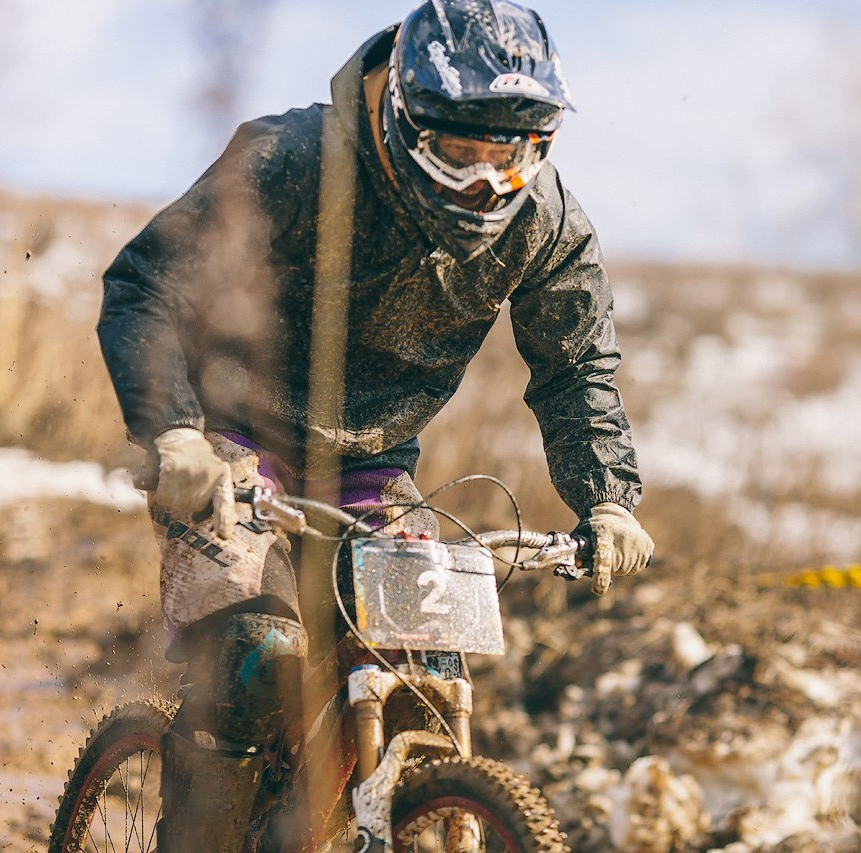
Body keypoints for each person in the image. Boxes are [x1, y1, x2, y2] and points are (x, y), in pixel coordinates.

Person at [97, 1, 654, 848]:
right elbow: (147, 284)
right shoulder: (293, 162)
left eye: (507, 156)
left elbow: (577, 363)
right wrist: (173, 433)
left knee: (420, 682)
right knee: (251, 653)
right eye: (458, 151)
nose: (482, 183)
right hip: (236, 441)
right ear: (403, 114)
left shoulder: (546, 223)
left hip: (373, 461)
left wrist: (608, 499)